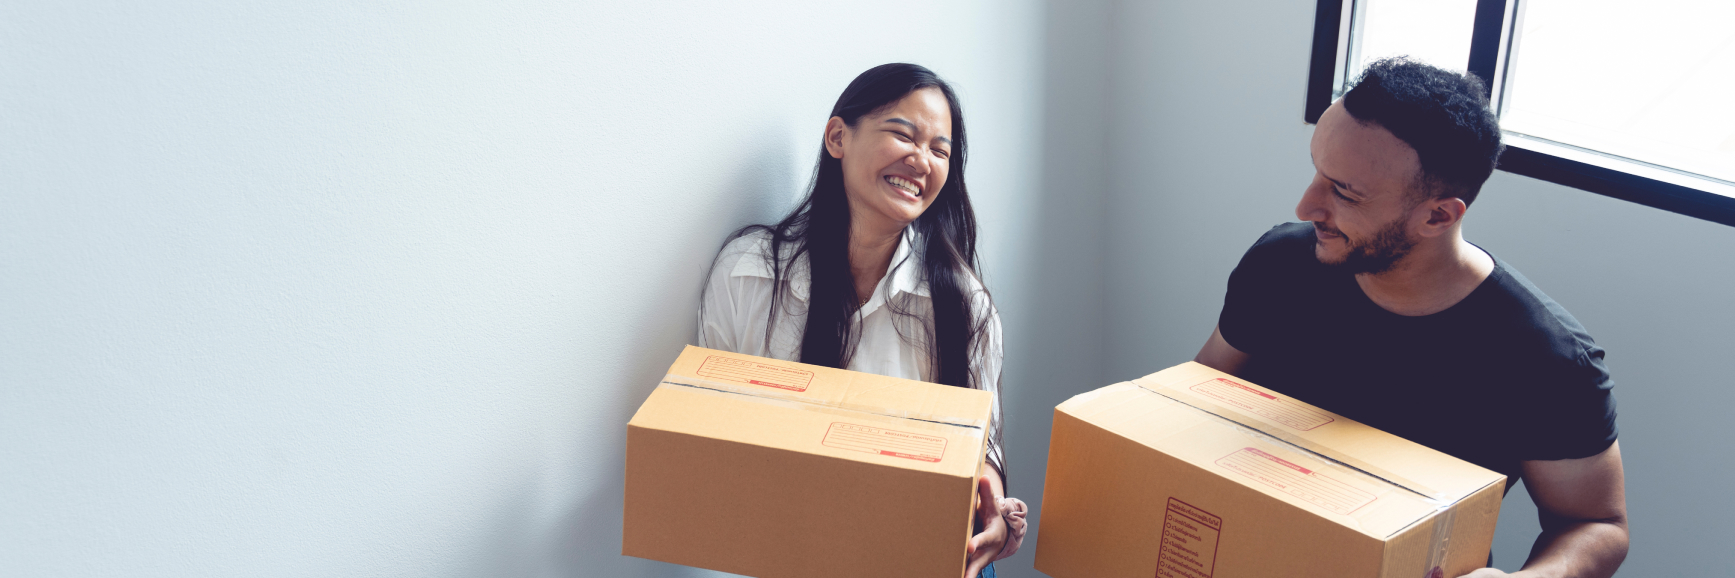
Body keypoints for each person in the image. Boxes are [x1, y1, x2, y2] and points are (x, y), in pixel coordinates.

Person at [1193, 58, 1627, 578]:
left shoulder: (1547, 358)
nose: (1307, 206)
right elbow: (1195, 400)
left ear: (1437, 216)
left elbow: (1597, 525)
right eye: (1317, 171)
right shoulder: (1280, 263)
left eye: (1345, 192)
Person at [696, 63, 1024, 578]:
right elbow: (706, 429)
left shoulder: (964, 304)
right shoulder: (748, 274)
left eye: (940, 151)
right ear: (838, 138)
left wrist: (996, 515)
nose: (921, 160)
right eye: (903, 135)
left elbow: (981, 448)